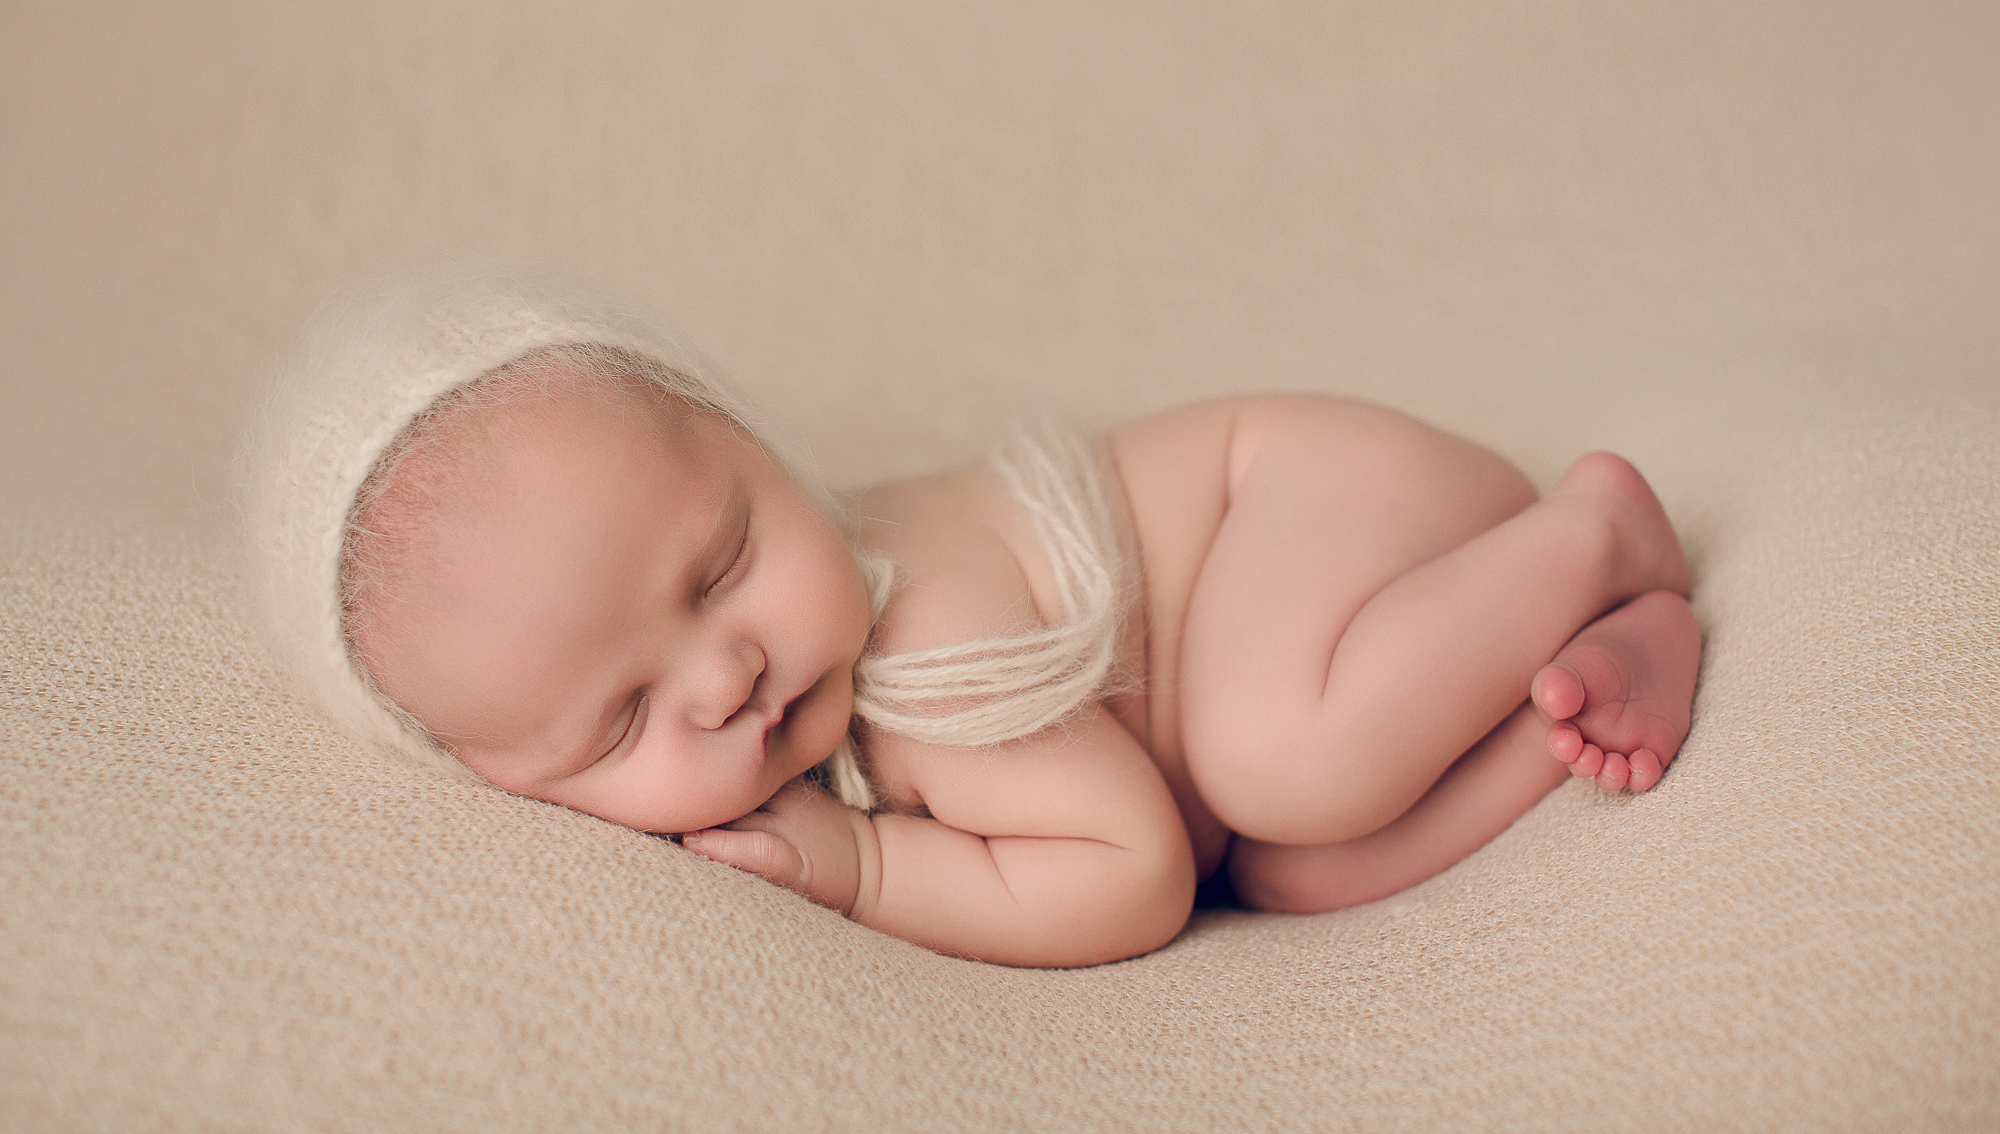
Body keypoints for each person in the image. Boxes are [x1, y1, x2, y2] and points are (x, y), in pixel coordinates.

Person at [247, 267, 1700, 969]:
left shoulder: (918, 636)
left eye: (723, 564)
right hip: (1345, 629)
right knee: (1300, 867)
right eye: (624, 719)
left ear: (759, 443)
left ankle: (1590, 530)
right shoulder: (762, 655)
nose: (727, 672)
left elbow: (1131, 875)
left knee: (1275, 759)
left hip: (1318, 498)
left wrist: (866, 864)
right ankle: (1578, 669)